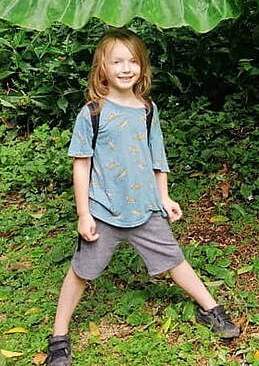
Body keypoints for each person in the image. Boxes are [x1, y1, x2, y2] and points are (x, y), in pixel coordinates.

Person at [45, 28, 239, 366]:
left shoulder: (148, 110)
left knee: (175, 261)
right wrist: (83, 214)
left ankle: (211, 309)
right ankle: (59, 337)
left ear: (142, 67)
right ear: (101, 67)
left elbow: (157, 157)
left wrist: (164, 197)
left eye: (132, 61)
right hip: (104, 212)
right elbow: (81, 165)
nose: (125, 68)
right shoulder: (92, 112)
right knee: (80, 271)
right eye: (116, 61)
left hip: (146, 211)